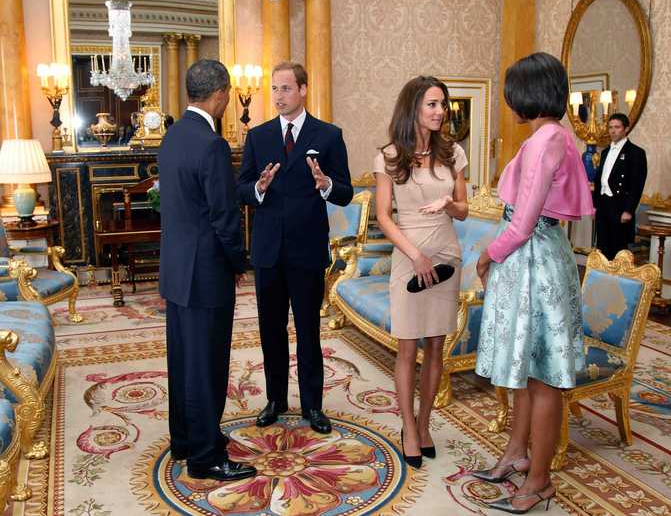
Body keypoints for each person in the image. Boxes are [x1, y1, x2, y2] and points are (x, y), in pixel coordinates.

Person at [473, 52, 594, 513]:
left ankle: (539, 481)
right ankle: (516, 454)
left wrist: (488, 254)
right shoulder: (554, 136)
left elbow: (522, 223)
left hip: (534, 262)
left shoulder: (545, 140)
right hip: (541, 257)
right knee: (525, 370)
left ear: (525, 94)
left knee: (541, 376)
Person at [237, 61, 353, 434]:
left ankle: (313, 406)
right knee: (271, 330)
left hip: (307, 252)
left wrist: (326, 185)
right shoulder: (258, 136)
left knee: (307, 333)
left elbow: (347, 192)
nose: (278, 96)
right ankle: (275, 400)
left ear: (303, 89)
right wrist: (259, 187)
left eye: (286, 88)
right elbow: (241, 188)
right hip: (268, 252)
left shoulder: (329, 135)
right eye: (274, 89)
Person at [158, 59, 256, 482]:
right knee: (207, 364)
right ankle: (205, 455)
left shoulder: (174, 136)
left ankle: (184, 438)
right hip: (206, 272)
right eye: (228, 93)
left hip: (177, 270)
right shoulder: (212, 144)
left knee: (183, 359)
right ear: (220, 94)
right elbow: (224, 216)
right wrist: (239, 262)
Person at [373, 76, 468, 469]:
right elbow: (383, 216)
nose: (440, 111)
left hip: (446, 255)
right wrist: (414, 255)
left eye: (442, 104)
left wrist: (449, 203)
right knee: (408, 346)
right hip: (409, 256)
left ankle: (425, 425)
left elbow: (464, 209)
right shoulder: (389, 157)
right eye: (432, 104)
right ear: (413, 106)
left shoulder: (453, 153)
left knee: (435, 347)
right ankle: (408, 428)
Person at [593, 113, 647, 260]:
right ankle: (602, 280)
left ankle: (617, 282)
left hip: (620, 206)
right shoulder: (604, 152)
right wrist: (595, 205)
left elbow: (637, 184)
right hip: (604, 203)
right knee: (602, 247)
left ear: (626, 129)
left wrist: (628, 210)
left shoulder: (636, 153)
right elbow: (600, 180)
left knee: (618, 250)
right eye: (610, 127)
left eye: (617, 127)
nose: (612, 131)